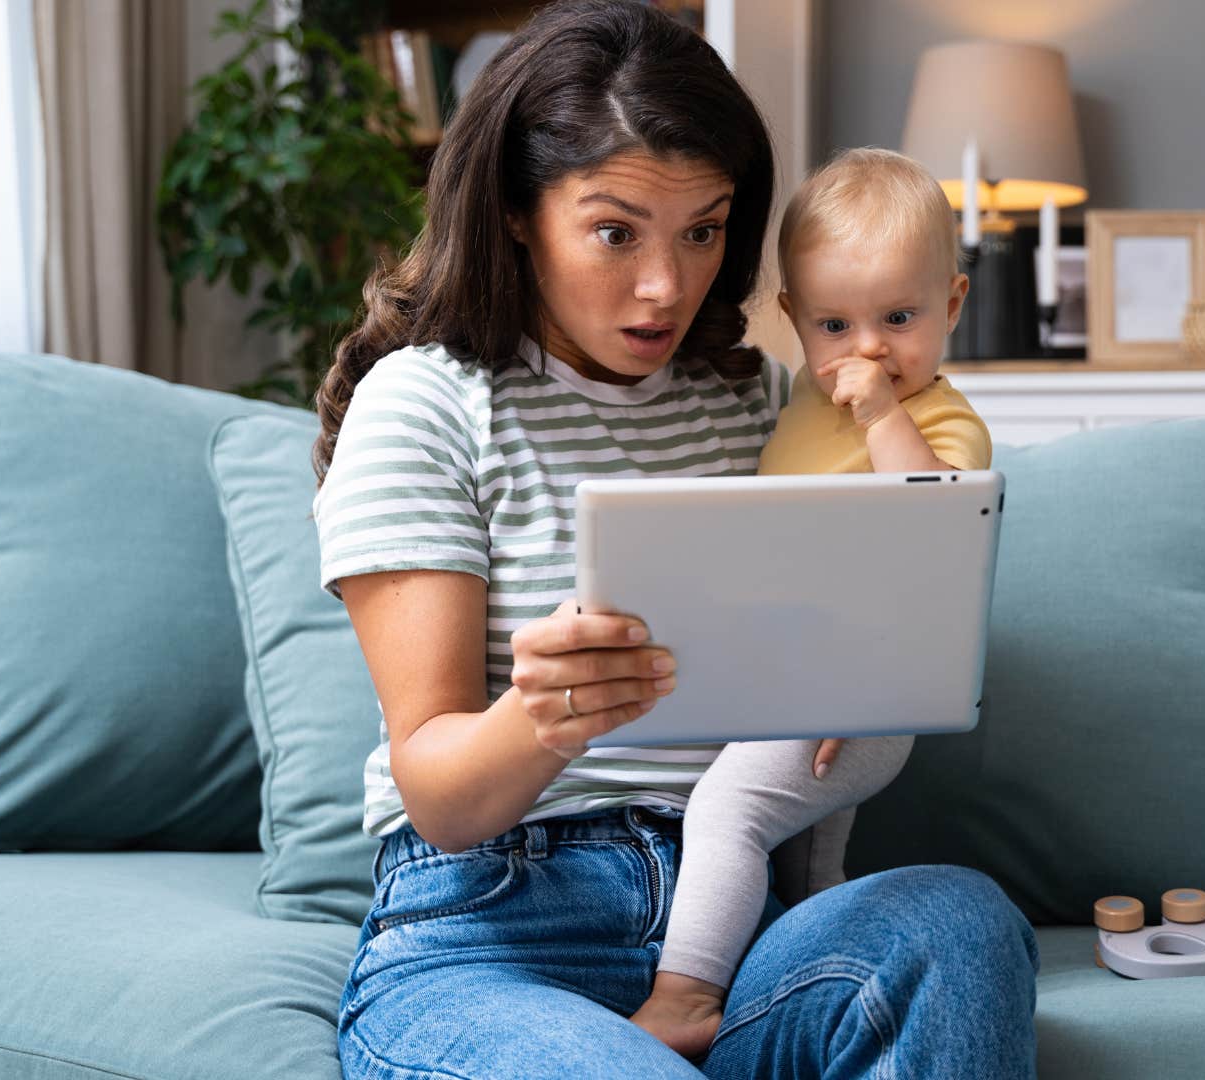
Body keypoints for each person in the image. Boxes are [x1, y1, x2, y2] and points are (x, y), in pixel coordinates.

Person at [310, 2, 1038, 1077]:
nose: (668, 283)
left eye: (702, 230)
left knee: (956, 922)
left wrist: (864, 664)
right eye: (617, 231)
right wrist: (541, 715)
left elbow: (914, 531)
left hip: (741, 920)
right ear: (517, 211)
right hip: (494, 931)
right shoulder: (424, 404)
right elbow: (442, 798)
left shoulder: (759, 404)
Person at [632, 147, 992, 1056]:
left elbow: (935, 533)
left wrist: (880, 416)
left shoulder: (941, 420)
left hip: (866, 690)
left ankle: (685, 996)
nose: (867, 350)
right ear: (793, 321)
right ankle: (801, 982)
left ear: (951, 306)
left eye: (900, 318)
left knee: (725, 811)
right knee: (808, 860)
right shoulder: (797, 394)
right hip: (789, 682)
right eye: (836, 324)